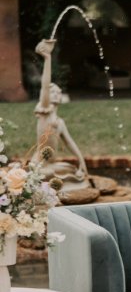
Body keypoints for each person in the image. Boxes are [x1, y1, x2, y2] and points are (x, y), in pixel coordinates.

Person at [33, 39, 89, 191]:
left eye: (59, 92)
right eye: (53, 92)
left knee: (72, 170)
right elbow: (45, 84)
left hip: (52, 164)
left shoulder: (60, 122)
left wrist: (81, 160)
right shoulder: (45, 112)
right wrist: (47, 58)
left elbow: (70, 143)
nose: (56, 94)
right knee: (49, 175)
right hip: (40, 165)